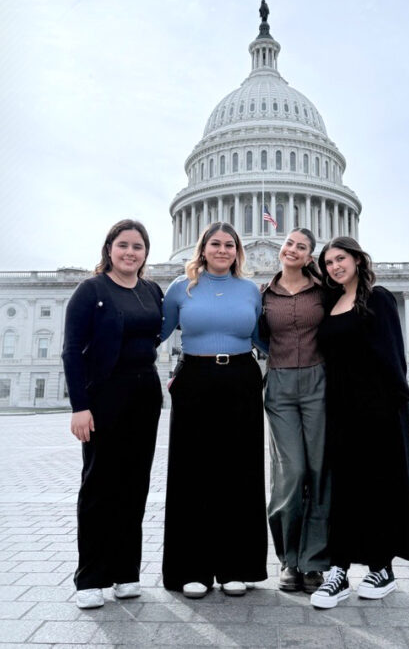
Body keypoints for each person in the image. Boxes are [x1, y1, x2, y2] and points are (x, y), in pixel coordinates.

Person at [310, 236, 409, 609]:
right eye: (328, 263)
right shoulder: (331, 301)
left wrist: (396, 406)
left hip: (376, 409)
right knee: (343, 491)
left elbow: (393, 355)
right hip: (340, 408)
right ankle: (339, 570)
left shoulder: (378, 298)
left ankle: (381, 567)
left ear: (358, 260)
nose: (334, 267)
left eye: (340, 259)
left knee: (378, 488)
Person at [160, 222, 268, 599]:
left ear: (238, 251)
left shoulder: (251, 291)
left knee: (240, 473)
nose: (222, 250)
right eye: (215, 244)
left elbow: (264, 340)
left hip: (240, 377)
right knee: (192, 474)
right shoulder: (179, 288)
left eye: (229, 244)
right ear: (202, 248)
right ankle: (192, 568)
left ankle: (236, 566)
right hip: (195, 377)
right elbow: (154, 334)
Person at [61, 219, 164, 610]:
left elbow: (157, 335)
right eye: (123, 245)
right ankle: (90, 576)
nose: (130, 253)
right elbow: (72, 350)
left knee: (134, 485)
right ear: (109, 249)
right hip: (104, 394)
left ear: (145, 253)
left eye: (137, 247)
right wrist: (79, 406)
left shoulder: (151, 290)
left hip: (144, 393)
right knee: (99, 484)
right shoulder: (91, 290)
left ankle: (126, 572)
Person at [259, 227, 328, 594]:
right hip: (281, 384)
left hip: (319, 382)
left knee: (318, 471)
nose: (292, 249)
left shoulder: (323, 291)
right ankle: (288, 559)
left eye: (301, 247)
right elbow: (253, 335)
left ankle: (314, 561)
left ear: (309, 256)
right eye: (289, 243)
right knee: (290, 472)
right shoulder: (262, 294)